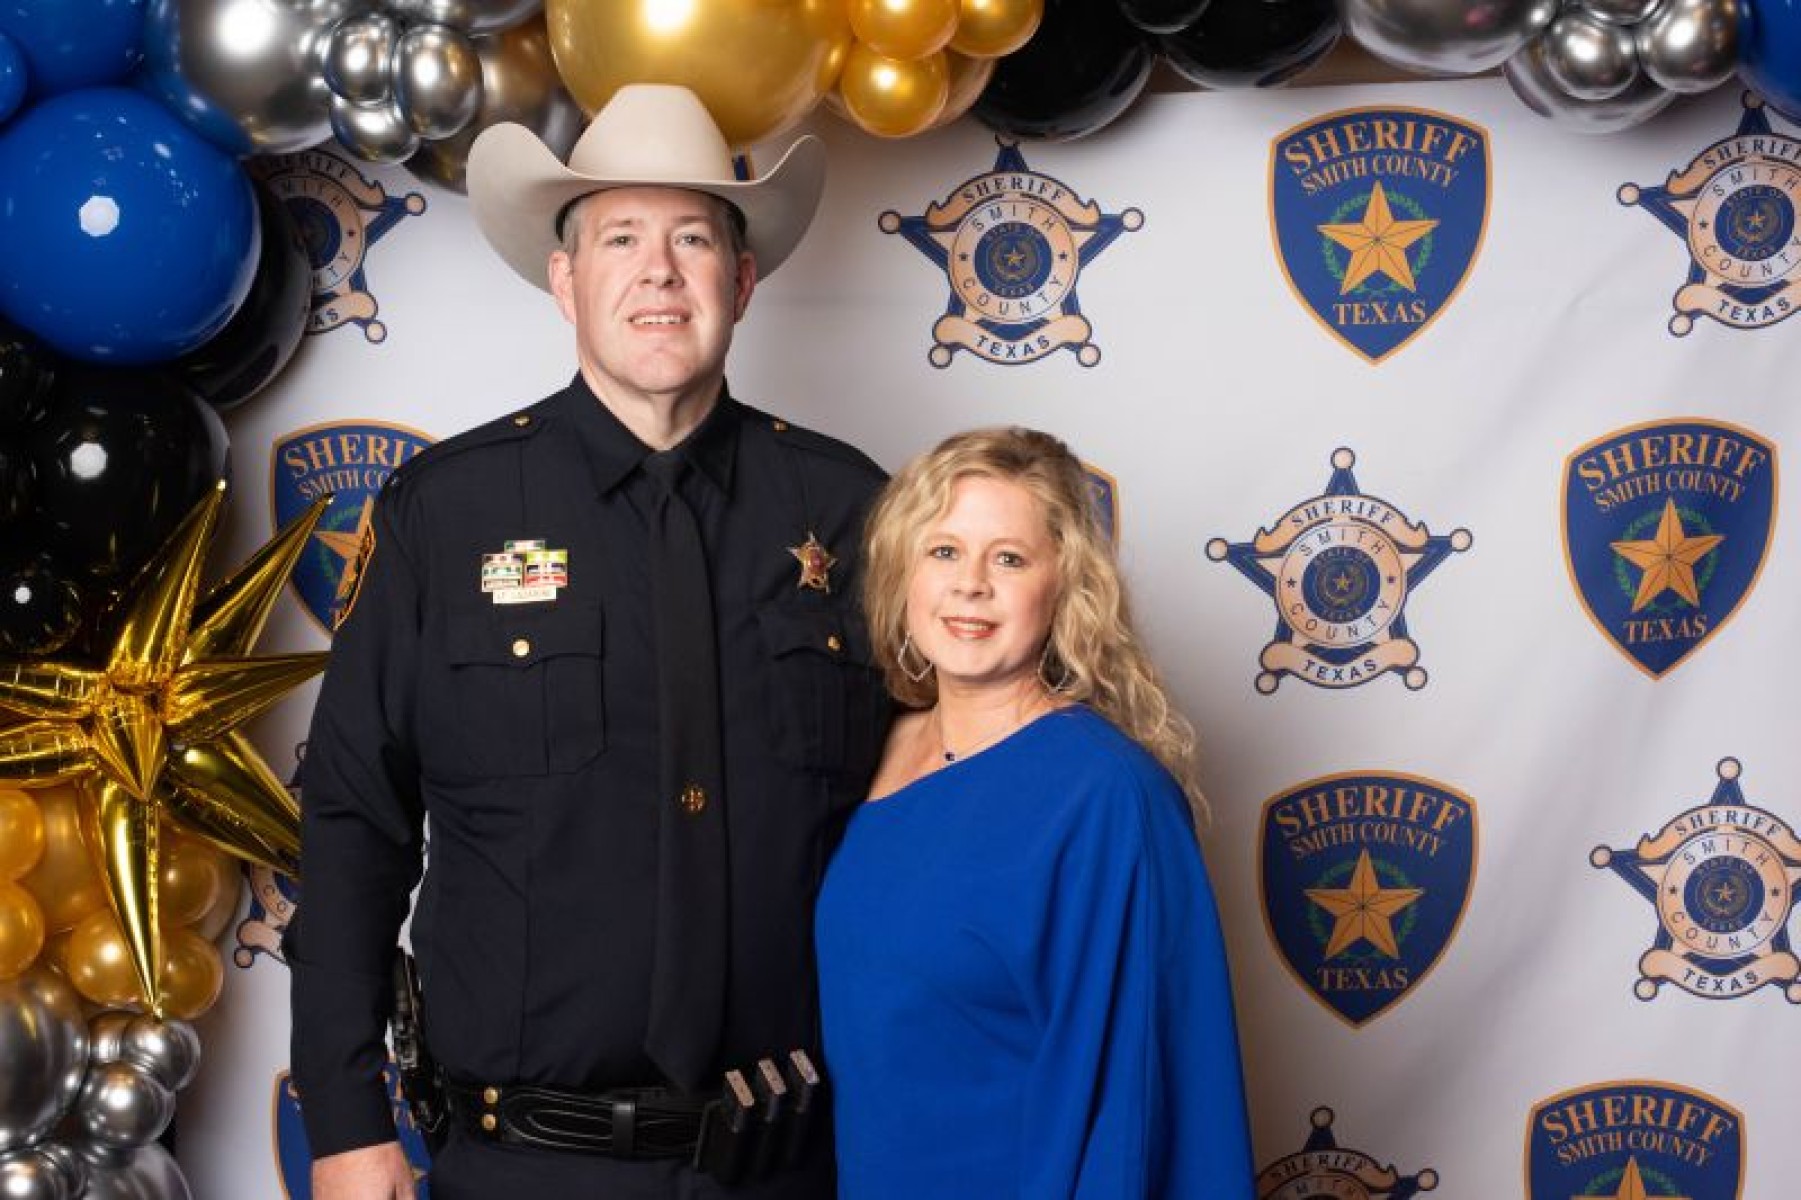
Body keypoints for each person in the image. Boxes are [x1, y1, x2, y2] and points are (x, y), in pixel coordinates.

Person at [288, 85, 890, 1200]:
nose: (658, 272)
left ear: (741, 281)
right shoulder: (443, 512)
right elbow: (353, 823)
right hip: (523, 1166)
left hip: (795, 1165)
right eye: (621, 239)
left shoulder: (851, 510)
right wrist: (342, 1122)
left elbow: (936, 812)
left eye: (692, 239)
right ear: (564, 282)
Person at [816, 427, 1256, 1198]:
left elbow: (1137, 1107)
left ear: (1065, 587)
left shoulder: (1104, 795)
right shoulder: (875, 747)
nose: (970, 584)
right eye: (943, 551)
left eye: (1009, 559)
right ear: (902, 573)